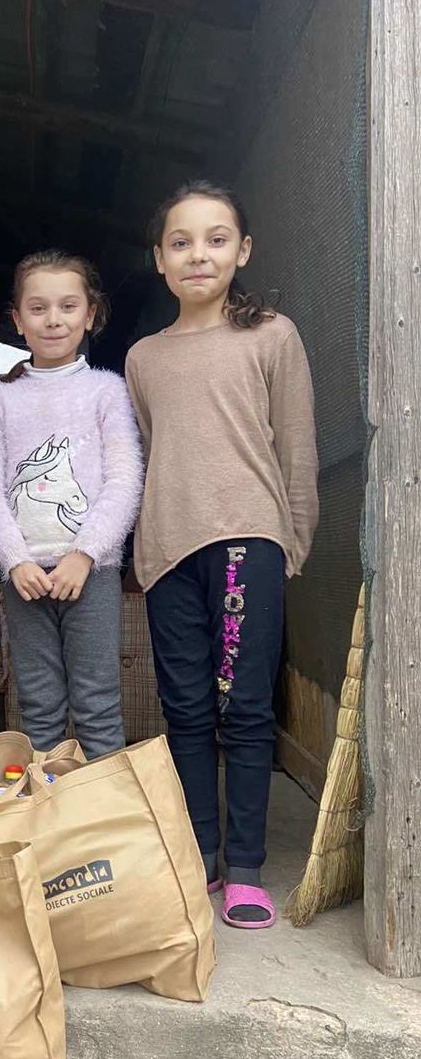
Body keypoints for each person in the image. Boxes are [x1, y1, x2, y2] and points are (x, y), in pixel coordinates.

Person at [125, 180, 318, 930]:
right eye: (180, 242)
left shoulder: (272, 336)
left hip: (247, 541)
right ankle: (200, 854)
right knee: (184, 709)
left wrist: (292, 540)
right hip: (168, 551)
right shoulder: (144, 357)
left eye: (215, 238)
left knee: (243, 708)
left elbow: (295, 445)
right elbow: (153, 450)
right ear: (159, 259)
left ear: (243, 250)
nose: (198, 254)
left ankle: (245, 867)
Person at [0, 249, 143, 757]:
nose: (53, 319)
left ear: (90, 315)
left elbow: (124, 480)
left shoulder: (107, 391)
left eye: (68, 306)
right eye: (38, 308)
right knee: (38, 708)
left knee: (98, 705)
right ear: (17, 320)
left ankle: (98, 805)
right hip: (24, 579)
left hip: (91, 574)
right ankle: (45, 803)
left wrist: (84, 554)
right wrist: (14, 561)